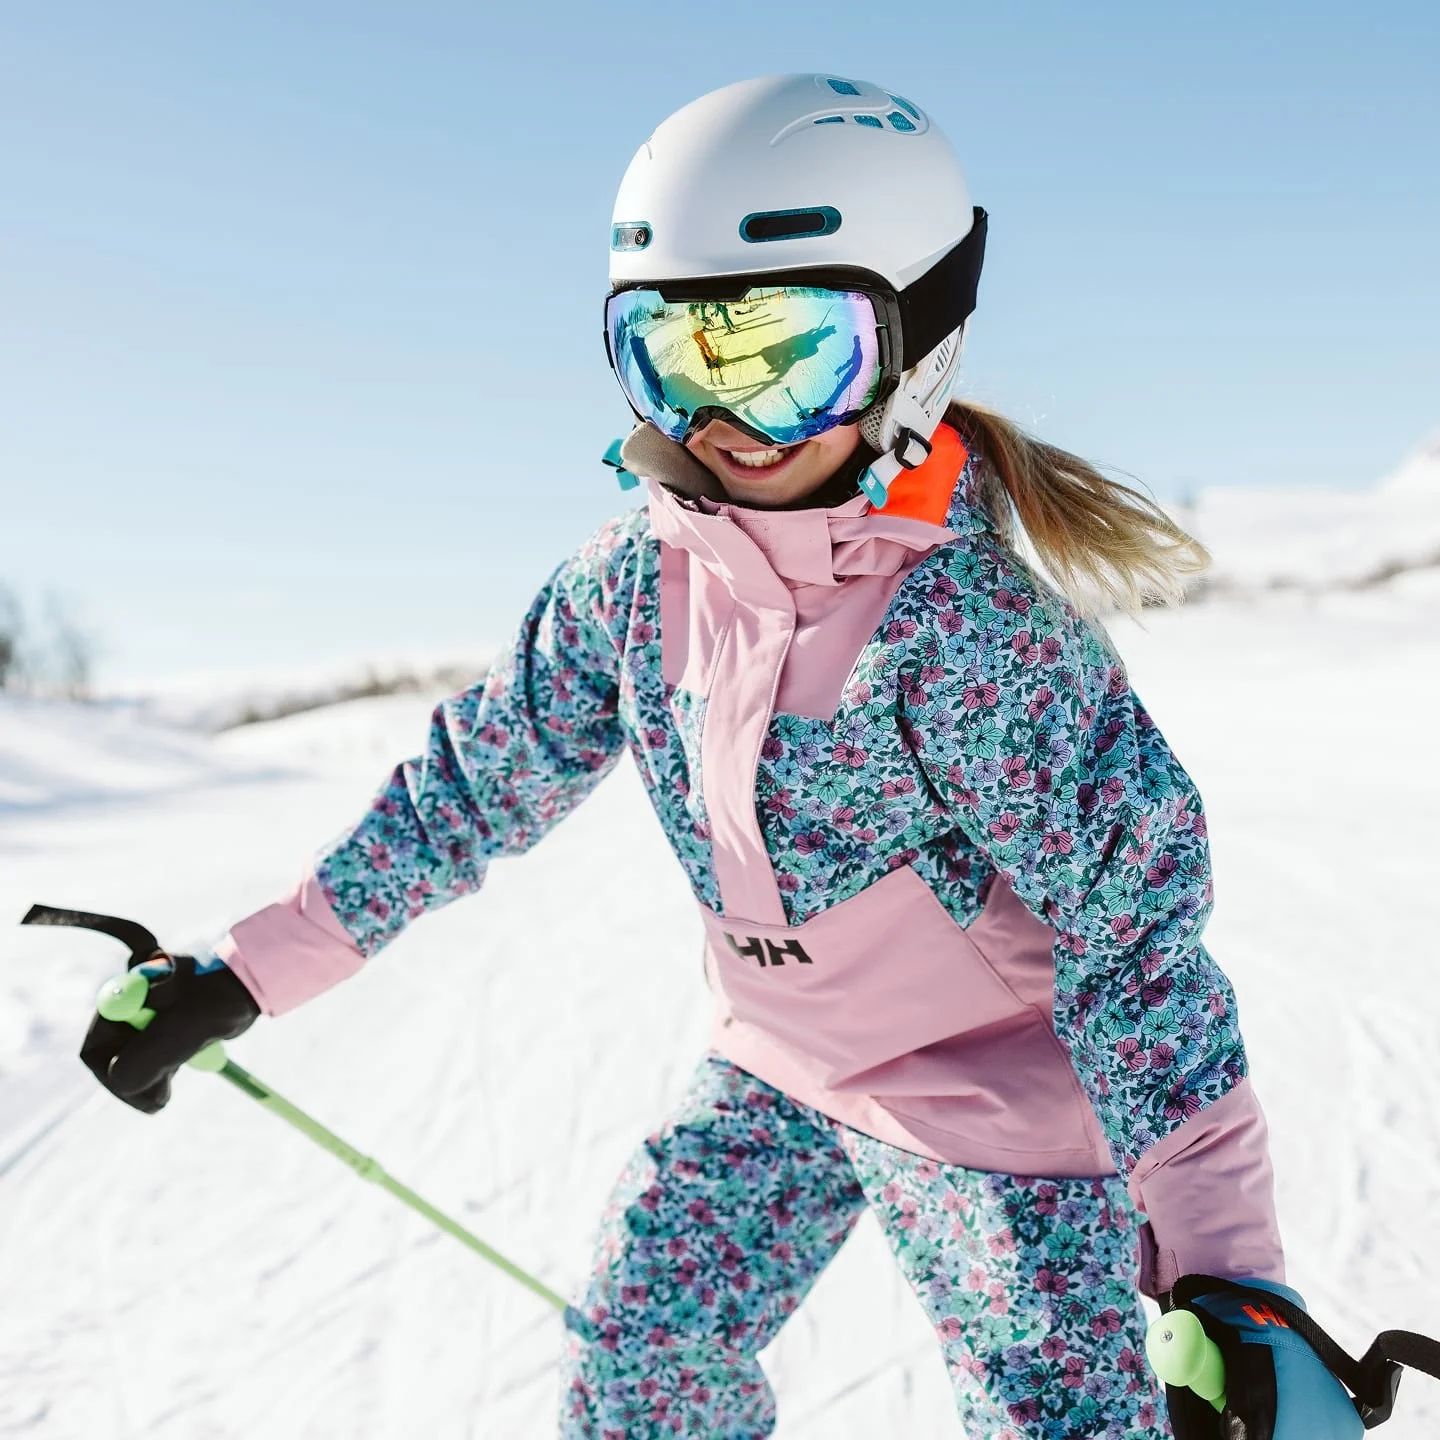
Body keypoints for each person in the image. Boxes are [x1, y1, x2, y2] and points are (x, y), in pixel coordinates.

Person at [80, 75, 1301, 1439]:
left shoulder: (969, 634)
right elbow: (468, 791)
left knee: (1062, 1418)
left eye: (787, 356)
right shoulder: (636, 583)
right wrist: (241, 974)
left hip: (992, 1109)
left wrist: (1226, 1272)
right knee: (636, 1364)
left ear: (918, 349)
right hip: (777, 1067)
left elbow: (1134, 939)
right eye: (678, 355)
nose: (727, 419)